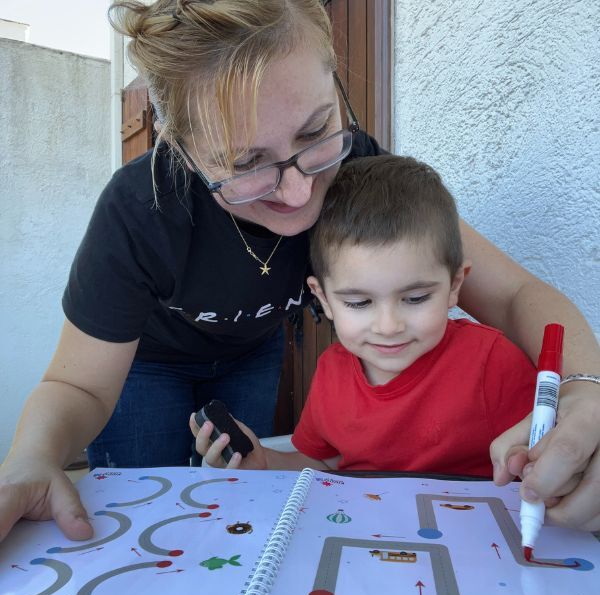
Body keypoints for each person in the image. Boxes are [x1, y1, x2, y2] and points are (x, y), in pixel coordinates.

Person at [0, 0, 598, 546]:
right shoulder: (141, 211)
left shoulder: (357, 172)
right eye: (245, 164)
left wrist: (585, 390)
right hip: (144, 360)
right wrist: (29, 458)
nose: (299, 189)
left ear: (337, 82)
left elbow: (517, 292)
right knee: (137, 513)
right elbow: (78, 385)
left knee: (240, 496)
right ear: (180, 148)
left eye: (316, 132)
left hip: (253, 351)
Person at [193, 155, 539, 477]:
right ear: (323, 299)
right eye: (359, 303)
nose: (389, 327)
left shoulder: (493, 365)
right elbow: (322, 461)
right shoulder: (332, 372)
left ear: (454, 285)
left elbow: (548, 454)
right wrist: (263, 461)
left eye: (415, 297)